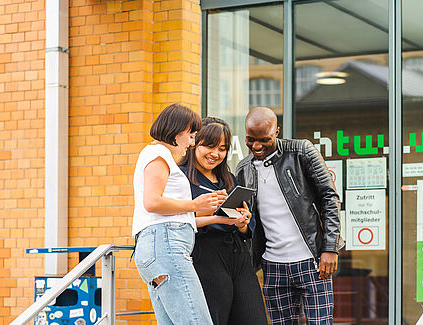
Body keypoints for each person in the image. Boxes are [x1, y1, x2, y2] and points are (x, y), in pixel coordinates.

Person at [235, 107, 342, 325]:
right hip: (273, 266)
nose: (256, 146)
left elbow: (329, 198)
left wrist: (330, 248)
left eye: (263, 139)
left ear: (277, 131)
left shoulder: (301, 152)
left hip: (312, 262)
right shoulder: (243, 169)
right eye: (250, 139)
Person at [132, 103, 217, 325]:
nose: (192, 142)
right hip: (165, 247)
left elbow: (169, 215)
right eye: (191, 135)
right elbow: (152, 202)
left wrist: (215, 216)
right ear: (175, 130)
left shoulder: (154, 154)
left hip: (159, 247)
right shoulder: (159, 153)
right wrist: (194, 204)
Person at [179, 117, 268, 325]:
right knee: (214, 318)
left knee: (253, 317)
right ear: (194, 144)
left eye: (222, 148)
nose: (215, 154)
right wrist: (207, 213)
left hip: (238, 256)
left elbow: (247, 222)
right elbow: (174, 220)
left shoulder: (227, 178)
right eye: (209, 146)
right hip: (205, 256)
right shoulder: (180, 178)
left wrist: (244, 222)